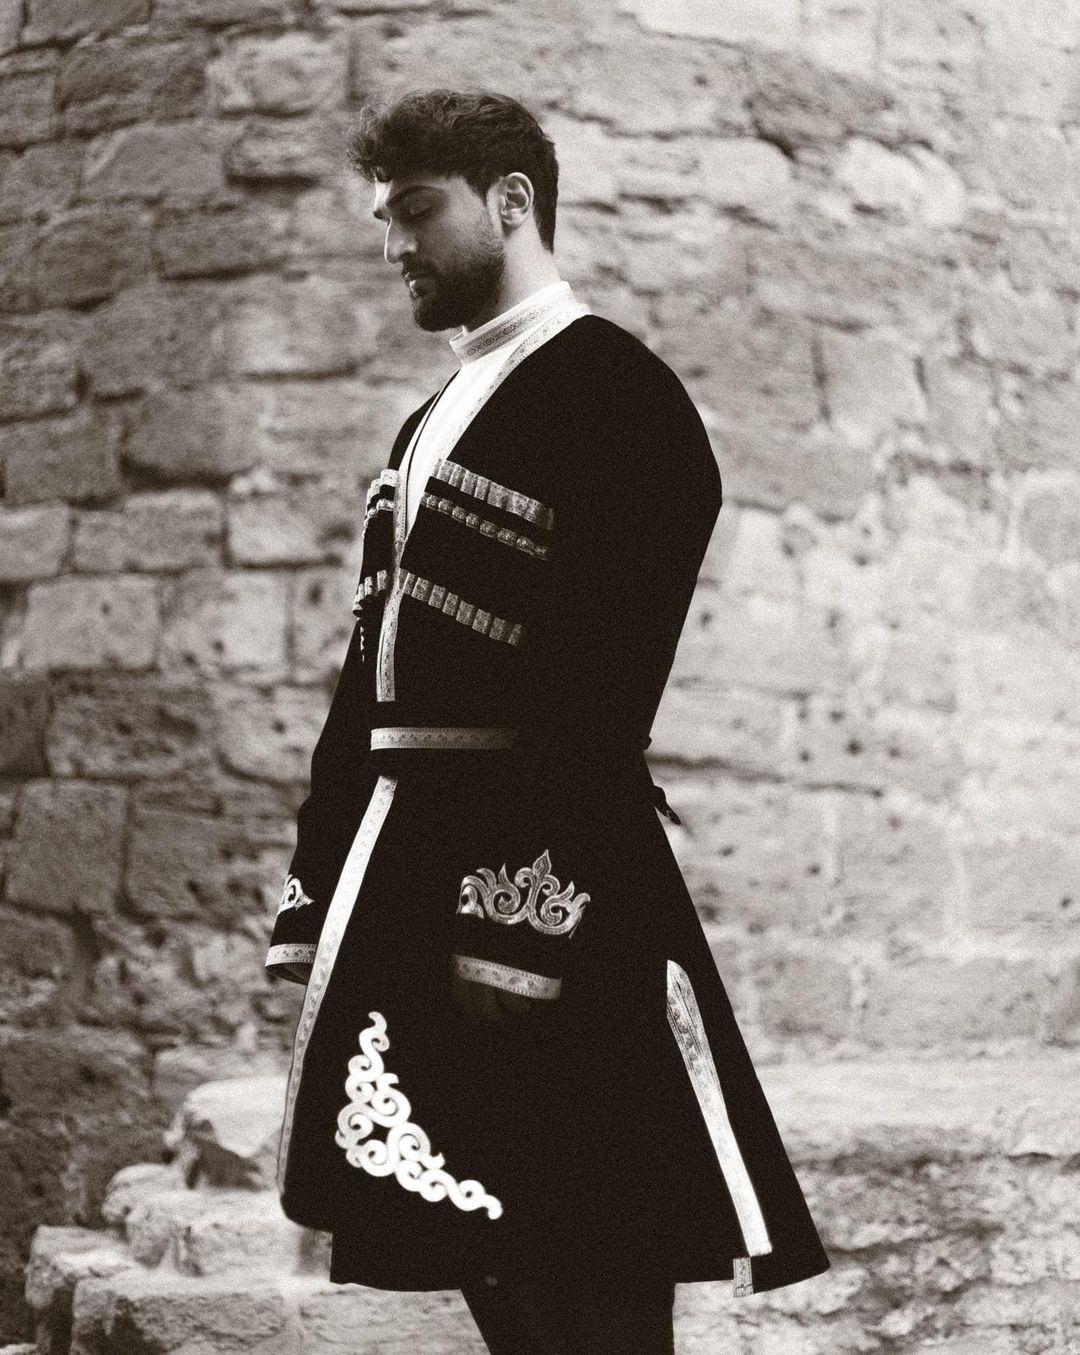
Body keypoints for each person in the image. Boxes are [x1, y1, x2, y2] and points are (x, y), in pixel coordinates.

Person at [265, 89, 830, 1354]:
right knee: (486, 1256)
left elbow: (601, 688)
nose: (394, 244)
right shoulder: (429, 419)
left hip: (543, 882)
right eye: (383, 219)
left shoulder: (619, 395)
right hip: (403, 872)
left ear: (511, 202)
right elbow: (367, 678)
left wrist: (516, 912)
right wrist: (316, 888)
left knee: (591, 1257)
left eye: (418, 211)